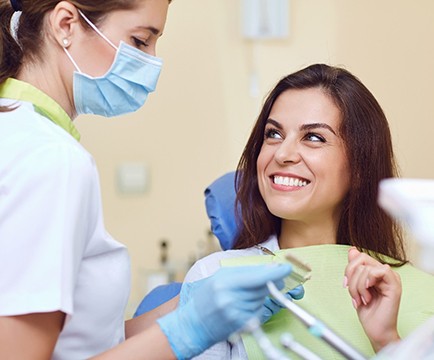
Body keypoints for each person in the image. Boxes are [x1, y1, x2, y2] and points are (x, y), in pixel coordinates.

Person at [0, 1, 301, 359]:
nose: (153, 63)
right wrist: (191, 328)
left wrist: (187, 307)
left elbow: (82, 343)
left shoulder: (22, 135)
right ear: (66, 24)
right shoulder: (51, 160)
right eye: (141, 41)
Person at [183, 64, 434, 359]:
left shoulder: (422, 292)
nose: (282, 154)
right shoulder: (215, 278)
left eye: (314, 137)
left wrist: (387, 342)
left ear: (359, 167)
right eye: (273, 134)